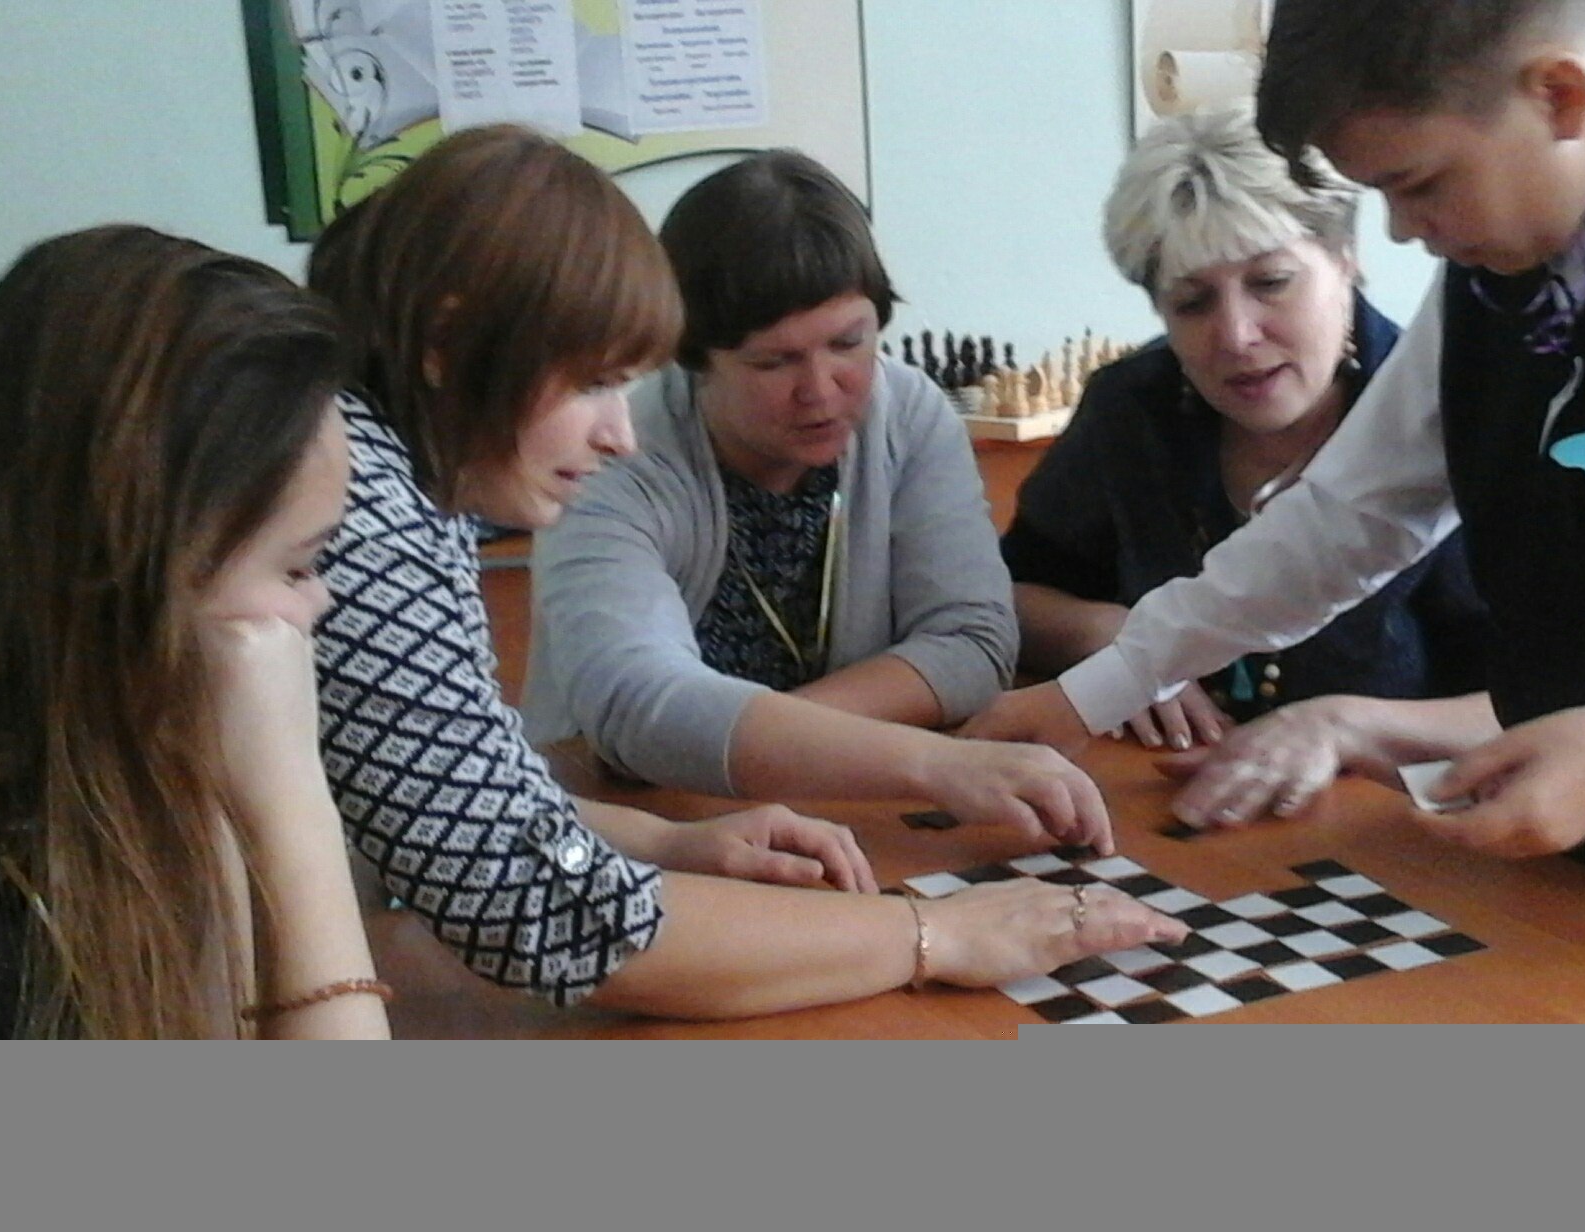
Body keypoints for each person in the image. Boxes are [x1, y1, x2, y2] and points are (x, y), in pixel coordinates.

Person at [965, 0, 1585, 986]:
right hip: (1565, 857)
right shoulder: (1494, 268)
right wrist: (1098, 688)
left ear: (1558, 95)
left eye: (1418, 185)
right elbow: (1345, 520)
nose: (1403, 231)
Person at [305, 126, 1184, 1020]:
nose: (617, 433)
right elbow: (550, 913)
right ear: (447, 343)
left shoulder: (394, 486)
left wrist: (663, 841)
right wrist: (932, 933)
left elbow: (488, 792)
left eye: (849, 343)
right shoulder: (366, 523)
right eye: (593, 383)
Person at [0, 225, 388, 1038]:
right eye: (297, 568)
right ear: (133, 574)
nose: (319, 605)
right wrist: (294, 814)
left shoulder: (105, 785)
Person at [520, 149, 1110, 849]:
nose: (822, 391)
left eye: (849, 343)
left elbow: (974, 643)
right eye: (774, 361)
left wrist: (786, 740)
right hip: (627, 830)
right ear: (693, 355)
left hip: (830, 811)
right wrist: (931, 763)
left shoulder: (909, 415)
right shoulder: (613, 454)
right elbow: (636, 705)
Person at [996, 105, 1492, 822]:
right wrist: (1116, 641)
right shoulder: (1134, 409)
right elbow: (1004, 598)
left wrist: (1344, 726)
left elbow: (1557, 705)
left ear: (1346, 259)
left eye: (1271, 283)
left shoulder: (1450, 417)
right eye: (1193, 302)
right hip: (1151, 805)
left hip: (1393, 831)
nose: (1235, 334)